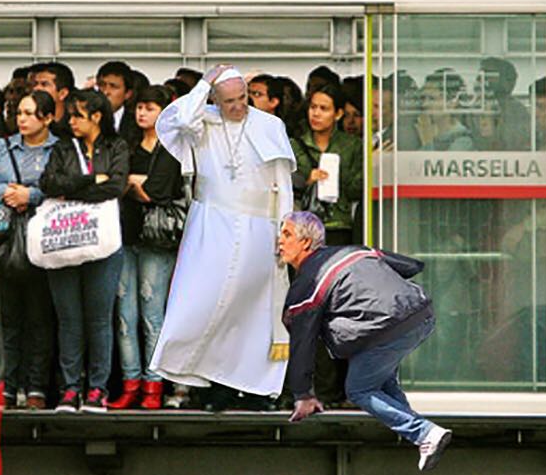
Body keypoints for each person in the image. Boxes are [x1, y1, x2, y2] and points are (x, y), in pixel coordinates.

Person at [149, 64, 295, 409]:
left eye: (242, 97)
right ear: (215, 100)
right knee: (207, 303)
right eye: (228, 100)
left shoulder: (270, 126)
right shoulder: (203, 123)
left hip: (260, 228)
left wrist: (285, 230)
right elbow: (178, 120)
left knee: (253, 311)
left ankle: (257, 390)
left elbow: (283, 184)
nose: (238, 106)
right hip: (212, 227)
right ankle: (216, 388)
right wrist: (204, 84)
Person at [278, 211, 452, 472]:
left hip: (384, 329)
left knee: (359, 389)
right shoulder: (355, 251)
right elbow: (411, 266)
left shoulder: (306, 286)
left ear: (305, 243)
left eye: (286, 234)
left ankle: (424, 433)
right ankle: (415, 435)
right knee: (381, 379)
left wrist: (303, 394)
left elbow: (303, 345)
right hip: (420, 315)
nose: (279, 241)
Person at [40, 89, 129, 413]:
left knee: (99, 318)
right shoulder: (63, 147)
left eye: (78, 115)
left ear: (97, 116)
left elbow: (116, 187)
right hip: (65, 238)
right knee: (68, 318)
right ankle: (69, 389)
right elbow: (49, 184)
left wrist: (75, 186)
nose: (71, 121)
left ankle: (97, 389)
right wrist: (92, 178)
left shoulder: (115, 146)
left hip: (103, 240)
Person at [0, 91, 59, 410]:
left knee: (40, 317)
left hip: (45, 241)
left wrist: (33, 195)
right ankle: (6, 385)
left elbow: (64, 187)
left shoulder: (59, 149)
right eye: (19, 113)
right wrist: (10, 193)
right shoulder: (1, 148)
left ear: (48, 118)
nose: (22, 119)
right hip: (5, 240)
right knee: (6, 317)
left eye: (30, 113)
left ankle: (37, 388)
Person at [109, 85, 183, 410]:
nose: (142, 113)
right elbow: (115, 181)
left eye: (151, 108)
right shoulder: (126, 145)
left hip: (157, 239)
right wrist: (135, 183)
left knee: (153, 314)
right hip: (125, 236)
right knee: (125, 315)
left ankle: (154, 384)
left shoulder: (171, 148)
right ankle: (131, 382)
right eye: (140, 107)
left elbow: (157, 192)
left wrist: (130, 184)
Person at [291, 82, 363, 247]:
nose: (316, 114)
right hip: (305, 225)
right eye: (313, 107)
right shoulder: (295, 145)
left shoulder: (352, 146)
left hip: (339, 225)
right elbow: (287, 186)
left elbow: (356, 190)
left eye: (324, 109)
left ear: (338, 114)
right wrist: (307, 181)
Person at [30, 62, 75, 140]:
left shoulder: (74, 125)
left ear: (62, 94)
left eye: (44, 84)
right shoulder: (29, 122)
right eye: (35, 84)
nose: (36, 88)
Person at [96, 60, 140, 142]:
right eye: (102, 85)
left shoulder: (137, 124)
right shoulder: (87, 120)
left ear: (127, 94)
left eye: (113, 86)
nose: (106, 92)